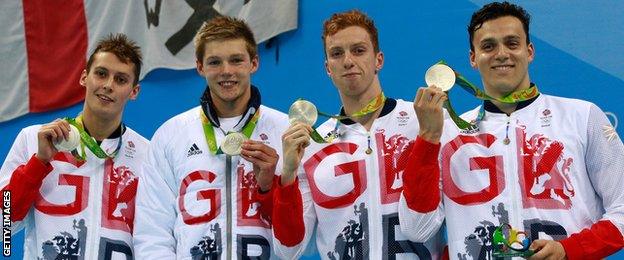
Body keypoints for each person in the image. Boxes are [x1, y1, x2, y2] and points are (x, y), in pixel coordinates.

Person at [399, 1, 624, 259]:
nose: (502, 53)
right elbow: (417, 228)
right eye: (488, 46)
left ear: (530, 51)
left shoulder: (582, 117)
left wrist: (568, 250)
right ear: (473, 58)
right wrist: (428, 139)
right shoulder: (448, 133)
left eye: (512, 43)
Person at [269, 9, 446, 259]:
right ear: (327, 68)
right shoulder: (312, 145)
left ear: (379, 60)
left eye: (359, 50)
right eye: (337, 54)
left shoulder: (424, 121)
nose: (348, 61)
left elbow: (428, 226)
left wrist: (429, 136)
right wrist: (287, 177)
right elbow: (289, 250)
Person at [133, 16, 287, 259]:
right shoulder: (170, 134)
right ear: (200, 66)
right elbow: (152, 232)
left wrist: (270, 187)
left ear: (254, 63)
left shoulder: (284, 130)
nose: (226, 71)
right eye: (215, 62)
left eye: (236, 60)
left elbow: (299, 240)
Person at [0, 33, 147, 259]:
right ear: (84, 78)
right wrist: (38, 163)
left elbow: (156, 238)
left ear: (134, 91)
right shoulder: (34, 139)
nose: (108, 85)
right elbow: (3, 225)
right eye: (101, 74)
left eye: (121, 79)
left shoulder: (148, 154)